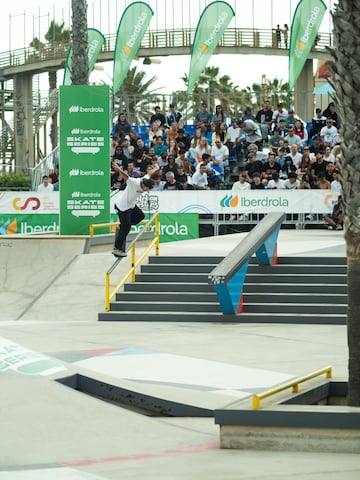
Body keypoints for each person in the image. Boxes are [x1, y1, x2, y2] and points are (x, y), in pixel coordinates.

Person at [111, 162, 159, 257]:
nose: (147, 191)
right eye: (147, 189)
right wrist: (118, 169)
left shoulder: (146, 179)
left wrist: (156, 168)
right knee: (127, 227)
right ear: (144, 185)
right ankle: (116, 248)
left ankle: (123, 225)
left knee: (140, 216)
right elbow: (126, 176)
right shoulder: (134, 182)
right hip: (122, 207)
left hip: (131, 205)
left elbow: (150, 173)